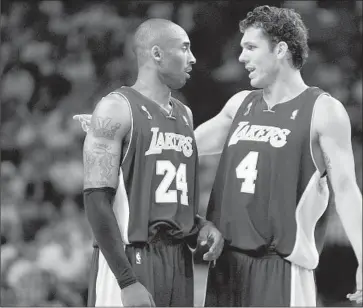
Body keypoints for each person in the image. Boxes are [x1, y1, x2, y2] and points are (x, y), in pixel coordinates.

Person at [194, 5, 362, 307]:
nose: (242, 57)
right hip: (225, 267)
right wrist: (124, 132)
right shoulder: (239, 105)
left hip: (281, 267)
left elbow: (348, 190)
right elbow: (185, 145)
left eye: (250, 47)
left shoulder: (323, 111)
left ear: (281, 49)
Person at [78, 18, 223, 307]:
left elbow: (160, 196)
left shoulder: (184, 114)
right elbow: (96, 201)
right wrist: (126, 280)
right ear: (157, 54)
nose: (193, 59)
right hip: (131, 256)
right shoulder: (116, 108)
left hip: (178, 259)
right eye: (185, 48)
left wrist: (200, 224)